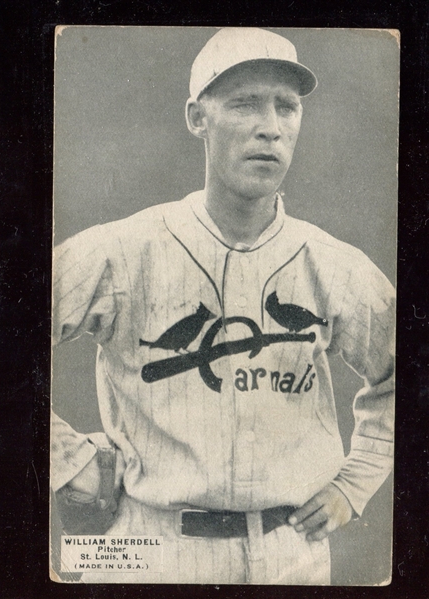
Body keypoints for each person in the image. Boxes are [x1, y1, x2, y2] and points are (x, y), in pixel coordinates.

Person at [51, 28, 395, 584]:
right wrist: (66, 459)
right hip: (152, 547)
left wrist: (354, 484)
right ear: (197, 117)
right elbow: (3, 335)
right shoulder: (122, 250)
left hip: (293, 554)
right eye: (244, 104)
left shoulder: (334, 265)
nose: (270, 127)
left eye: (287, 107)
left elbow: (408, 376)